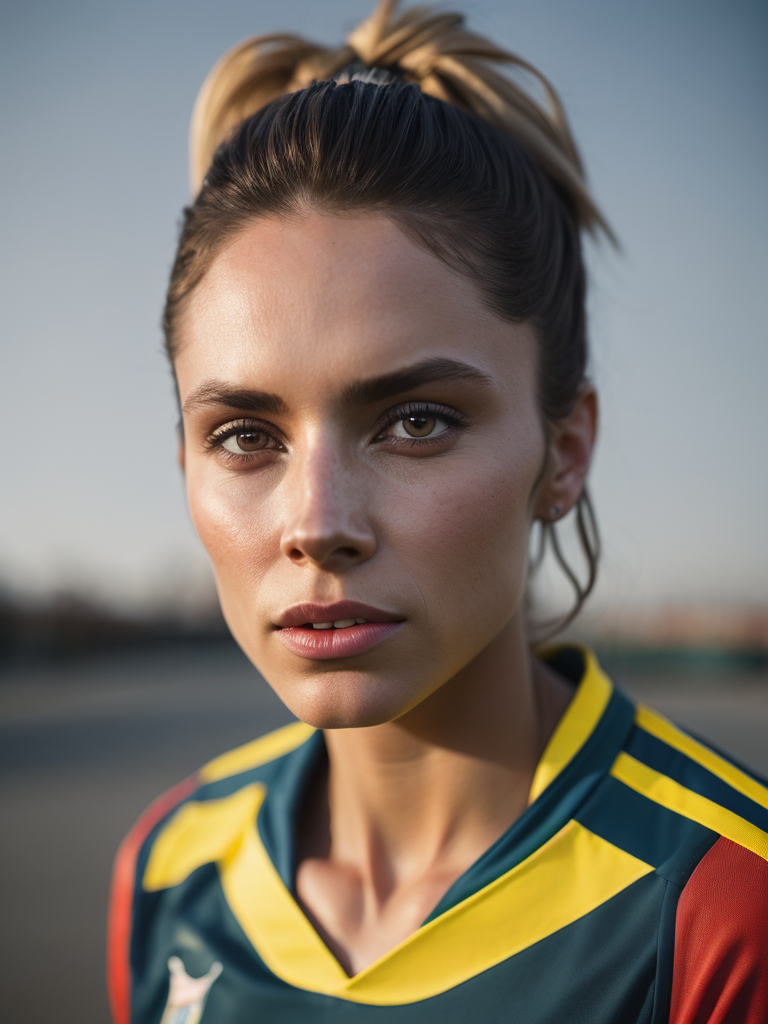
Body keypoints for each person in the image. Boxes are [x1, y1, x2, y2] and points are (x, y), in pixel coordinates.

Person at [107, 3, 768, 1022]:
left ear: (565, 450)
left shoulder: (725, 902)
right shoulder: (167, 870)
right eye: (244, 435)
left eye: (416, 421)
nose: (317, 522)